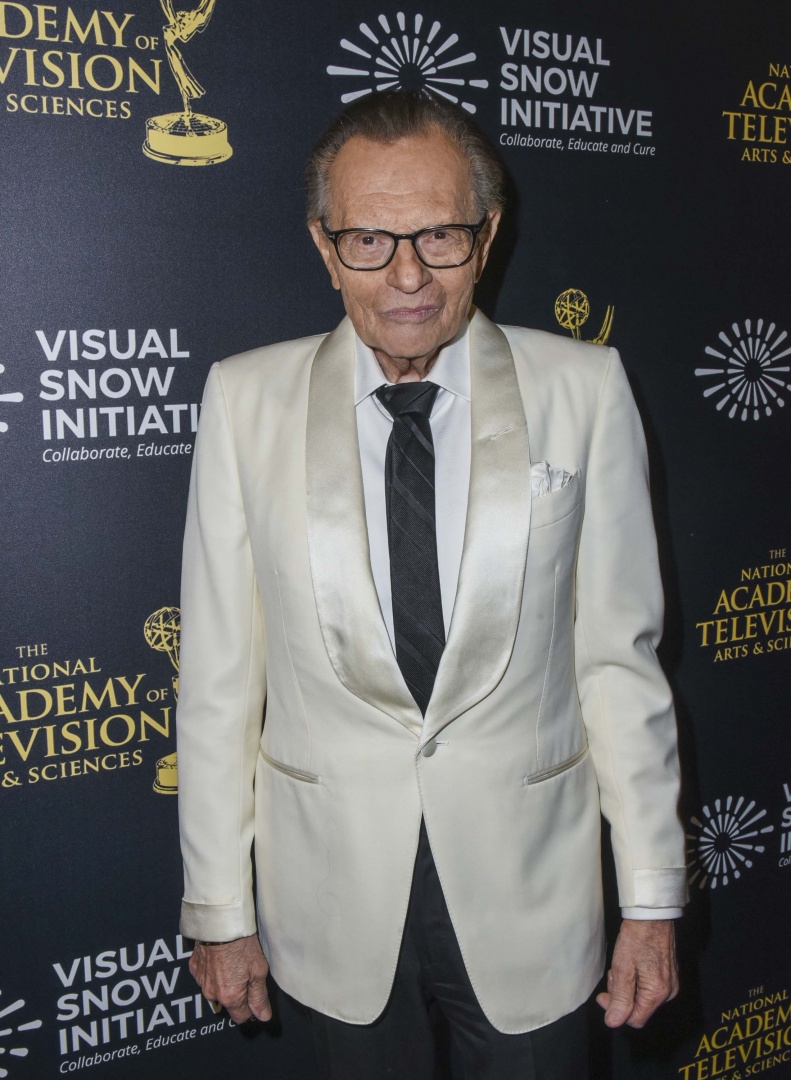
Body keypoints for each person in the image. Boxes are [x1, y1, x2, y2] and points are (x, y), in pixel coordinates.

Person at [176, 89, 686, 1079]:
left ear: (485, 236)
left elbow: (617, 666)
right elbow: (219, 680)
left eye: (439, 236)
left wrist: (652, 898)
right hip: (324, 900)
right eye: (367, 239)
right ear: (324, 248)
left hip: (532, 898)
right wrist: (217, 907)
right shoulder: (245, 402)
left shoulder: (584, 390)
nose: (406, 275)